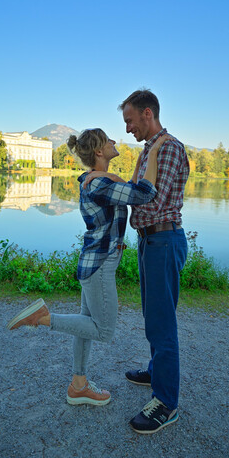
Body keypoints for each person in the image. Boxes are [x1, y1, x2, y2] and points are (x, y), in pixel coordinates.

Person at [7, 128, 169, 408]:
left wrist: (124, 167)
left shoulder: (100, 181)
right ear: (98, 151)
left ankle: (78, 386)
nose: (115, 141)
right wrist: (153, 152)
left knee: (85, 325)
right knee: (103, 330)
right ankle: (43, 318)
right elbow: (144, 194)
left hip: (94, 262)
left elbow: (127, 187)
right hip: (101, 265)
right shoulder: (98, 185)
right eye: (108, 141)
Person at [87, 89, 190, 434]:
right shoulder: (150, 150)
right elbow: (136, 188)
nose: (128, 128)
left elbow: (150, 198)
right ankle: (156, 370)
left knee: (162, 322)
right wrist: (109, 181)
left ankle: (166, 403)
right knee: (153, 314)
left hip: (163, 238)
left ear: (148, 113)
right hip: (150, 240)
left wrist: (112, 188)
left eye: (130, 120)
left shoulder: (169, 147)